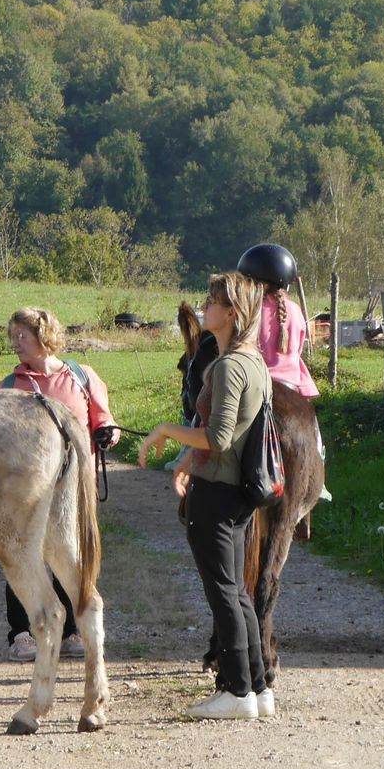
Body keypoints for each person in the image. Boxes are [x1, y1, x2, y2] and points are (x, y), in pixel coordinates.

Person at [141, 270, 275, 721]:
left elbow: (218, 437)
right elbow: (230, 433)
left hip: (215, 492)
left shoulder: (228, 366)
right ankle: (258, 688)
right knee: (237, 591)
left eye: (211, 302)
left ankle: (236, 691)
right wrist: (185, 459)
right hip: (237, 492)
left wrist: (165, 430)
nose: (203, 308)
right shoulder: (254, 362)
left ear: (231, 313)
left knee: (223, 593)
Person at [0, 307, 116, 662]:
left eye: (22, 336)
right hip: (25, 491)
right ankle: (21, 633)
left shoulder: (81, 377)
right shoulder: (8, 387)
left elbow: (104, 419)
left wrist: (108, 434)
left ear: (43, 336)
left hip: (75, 487)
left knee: (69, 556)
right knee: (23, 557)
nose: (15, 344)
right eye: (13, 336)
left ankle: (73, 631)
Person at [237, 242, 332, 501]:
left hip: (258, 384)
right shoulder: (296, 311)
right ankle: (319, 483)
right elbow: (298, 348)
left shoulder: (248, 310)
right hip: (293, 386)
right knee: (313, 436)